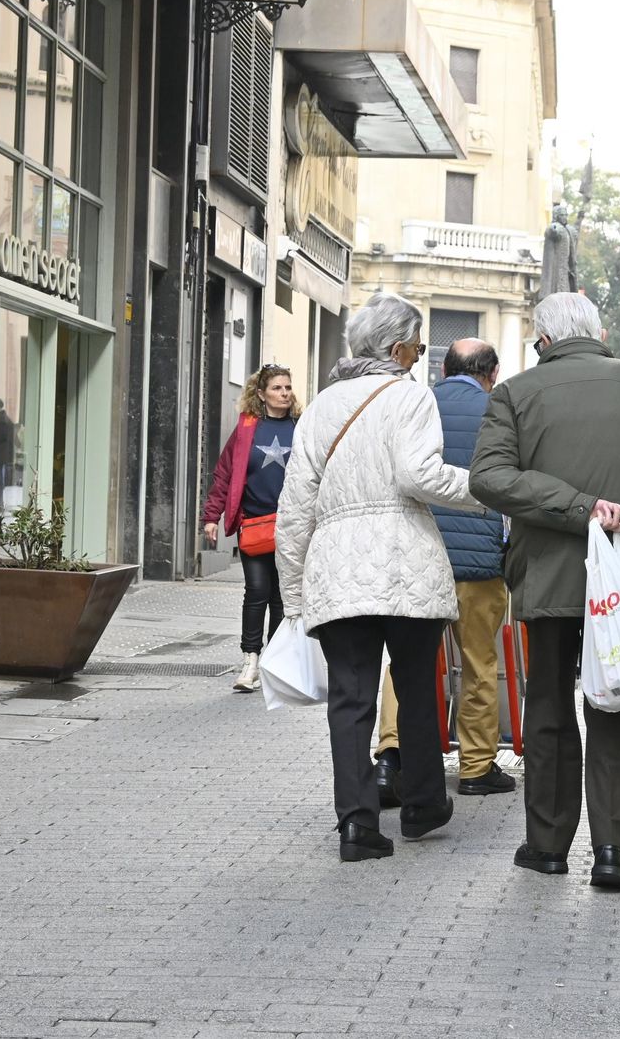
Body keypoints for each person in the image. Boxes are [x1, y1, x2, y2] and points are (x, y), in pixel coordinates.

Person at [471, 292, 620, 892]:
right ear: (600, 332)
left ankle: (548, 847)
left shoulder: (515, 394)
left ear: (542, 342)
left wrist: (577, 511)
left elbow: (490, 477)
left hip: (550, 579)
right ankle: (610, 852)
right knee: (618, 707)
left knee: (548, 706)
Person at [275, 292, 483, 862]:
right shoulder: (409, 397)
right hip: (404, 563)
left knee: (350, 696)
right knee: (416, 683)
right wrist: (482, 491)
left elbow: (296, 506)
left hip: (337, 567)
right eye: (417, 345)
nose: (420, 356)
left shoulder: (319, 406)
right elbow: (419, 475)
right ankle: (421, 804)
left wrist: (294, 595)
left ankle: (357, 823)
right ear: (396, 348)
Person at [371, 338, 516, 804]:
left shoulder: (417, 405)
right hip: (479, 564)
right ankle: (475, 767)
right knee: (478, 663)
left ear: (443, 367)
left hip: (418, 558)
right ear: (491, 372)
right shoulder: (499, 413)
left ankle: (390, 756)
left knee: (406, 662)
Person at [202, 364, 302, 692]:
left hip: (291, 527)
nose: (284, 393)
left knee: (279, 597)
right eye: (277, 388)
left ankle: (272, 662)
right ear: (261, 394)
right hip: (254, 525)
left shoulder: (301, 427)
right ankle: (250, 660)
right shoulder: (247, 428)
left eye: (287, 388)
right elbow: (224, 474)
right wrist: (211, 517)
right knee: (257, 590)